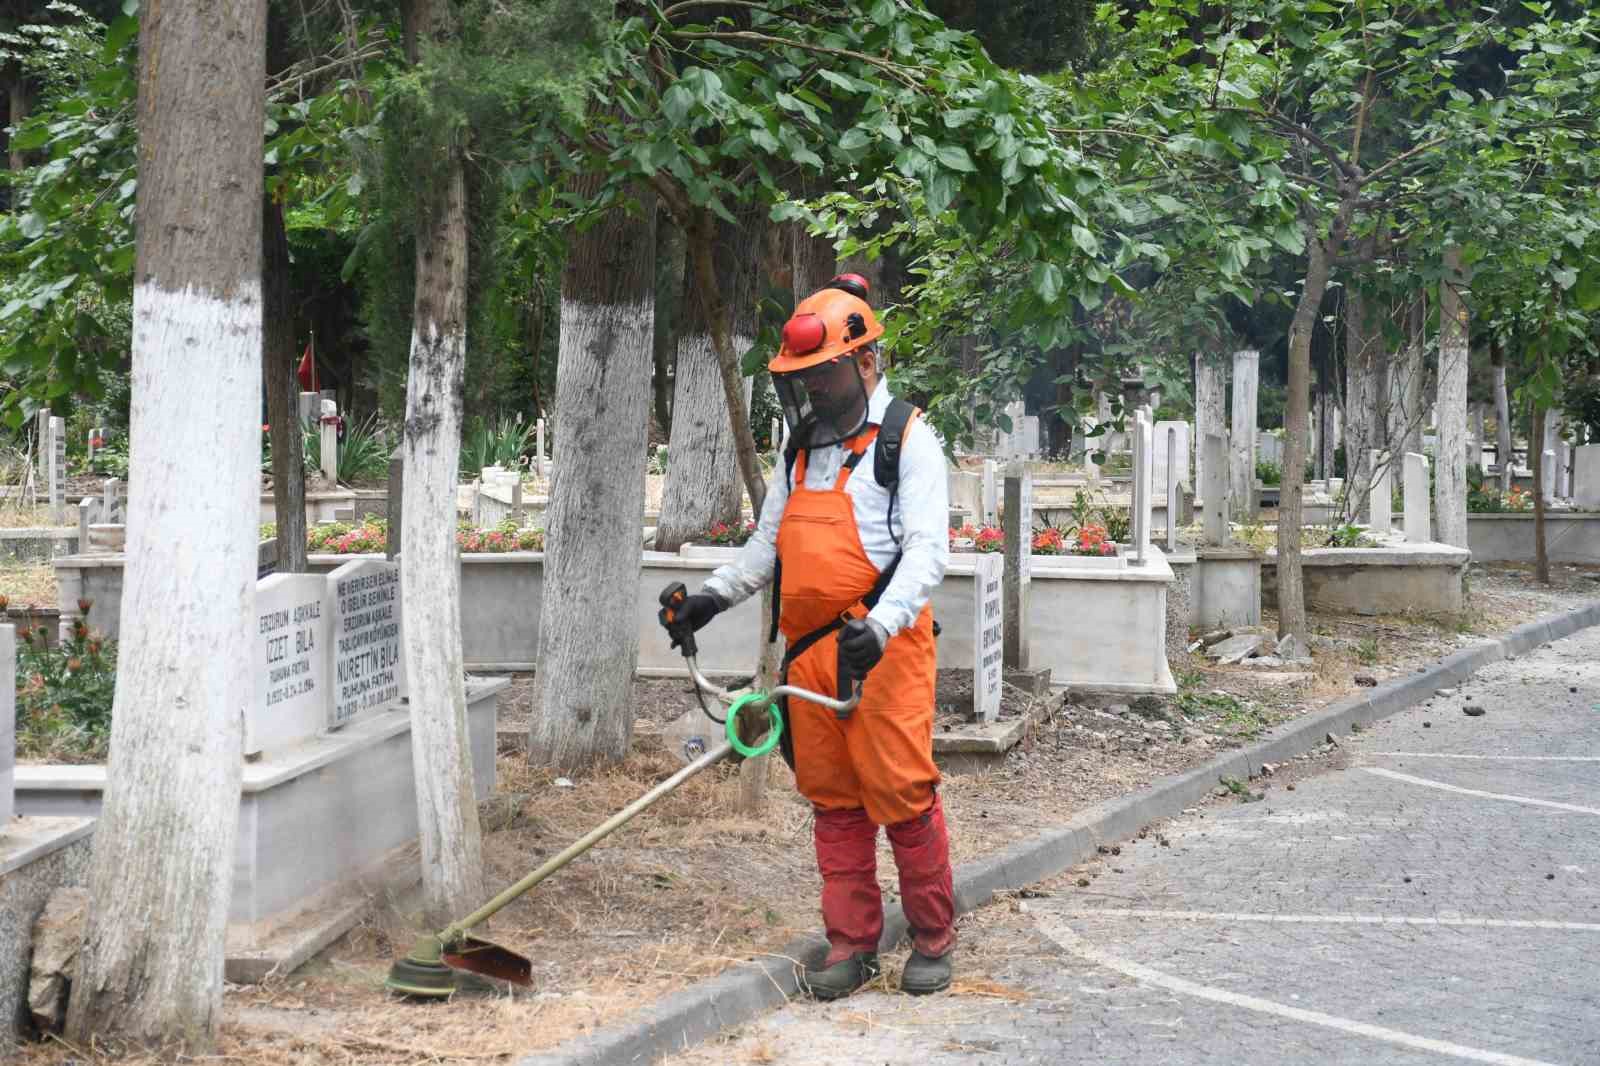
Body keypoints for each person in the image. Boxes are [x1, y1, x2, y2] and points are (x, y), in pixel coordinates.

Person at [658, 275, 953, 999]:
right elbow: (770, 545)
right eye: (804, 381)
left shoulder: (907, 440)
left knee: (903, 795)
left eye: (821, 376)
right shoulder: (802, 447)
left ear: (864, 364)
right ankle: (852, 943)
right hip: (811, 654)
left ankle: (932, 937)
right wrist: (712, 599)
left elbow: (927, 552)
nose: (814, 393)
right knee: (834, 803)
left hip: (884, 650)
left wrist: (880, 627)